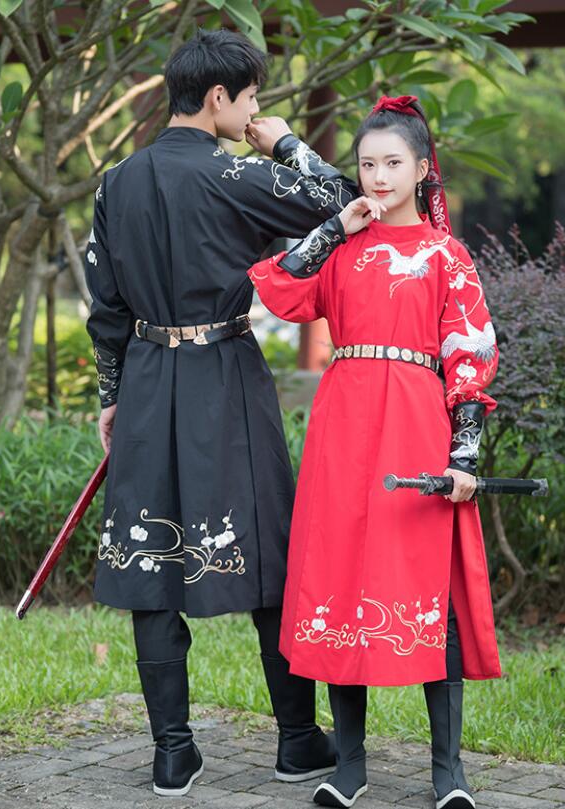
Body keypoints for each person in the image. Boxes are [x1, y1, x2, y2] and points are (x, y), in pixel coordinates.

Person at [83, 28, 360, 798]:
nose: (255, 112)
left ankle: (173, 753)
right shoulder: (236, 173)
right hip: (225, 379)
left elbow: (104, 307)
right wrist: (287, 145)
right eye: (251, 99)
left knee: (150, 564)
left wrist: (111, 396)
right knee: (268, 557)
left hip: (144, 381)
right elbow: (348, 203)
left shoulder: (115, 182)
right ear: (217, 99)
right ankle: (297, 740)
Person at [247, 95, 501, 809]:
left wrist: (465, 458)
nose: (378, 176)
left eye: (393, 163)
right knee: (338, 581)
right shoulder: (343, 247)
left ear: (422, 169)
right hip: (342, 430)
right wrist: (332, 226)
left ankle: (447, 771)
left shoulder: (447, 255)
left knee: (426, 591)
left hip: (416, 426)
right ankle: (349, 765)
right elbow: (276, 291)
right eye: (366, 164)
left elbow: (471, 355)